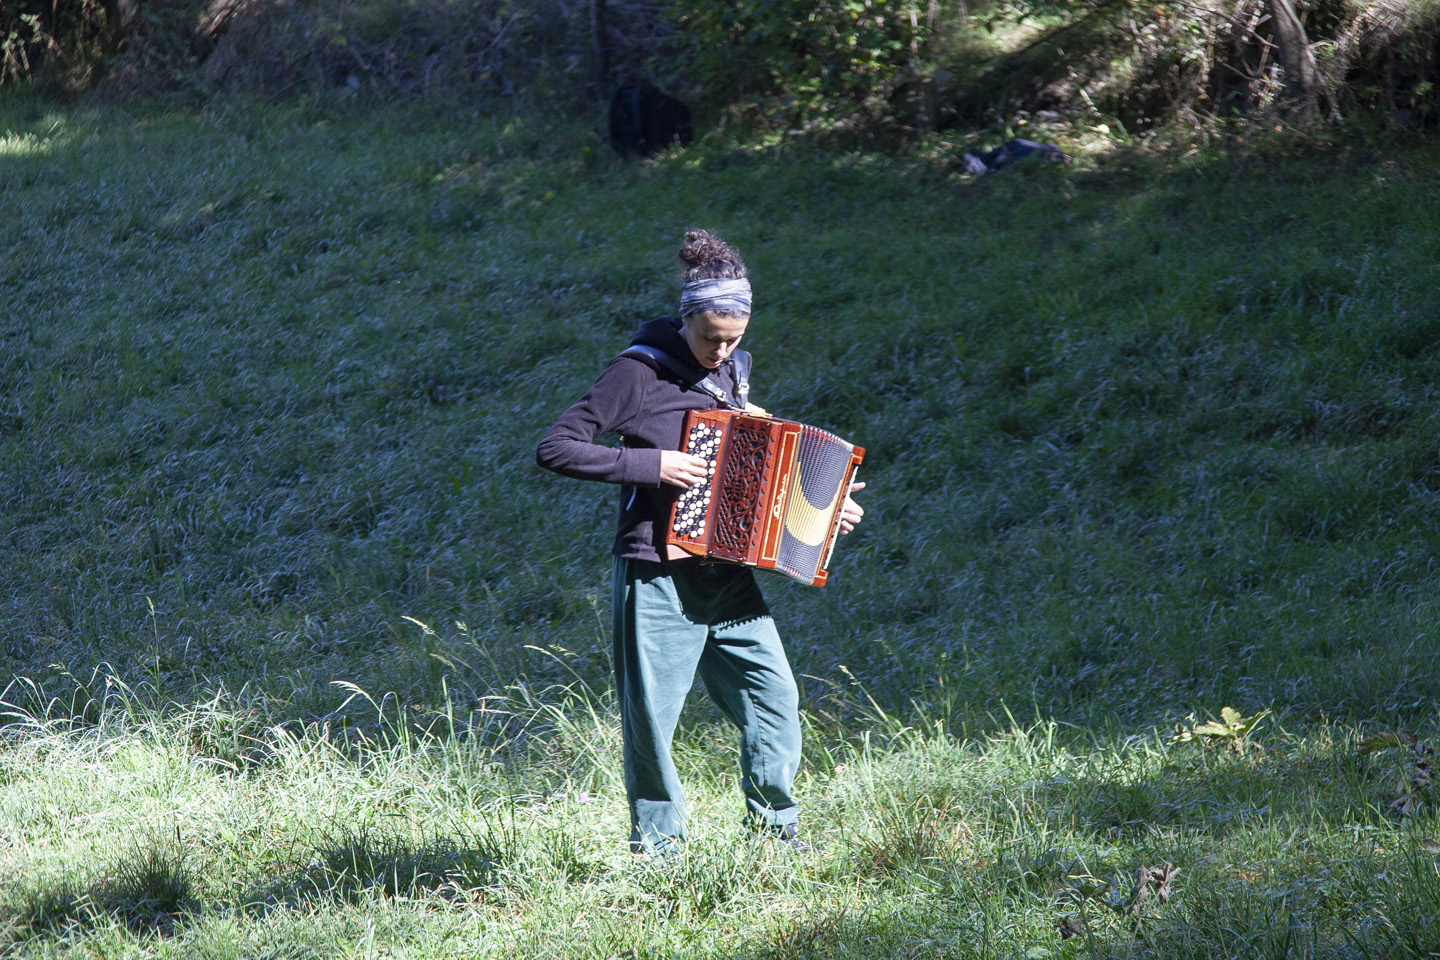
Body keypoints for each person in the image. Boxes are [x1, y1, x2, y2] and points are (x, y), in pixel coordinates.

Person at [536, 229, 864, 854]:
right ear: (685, 318)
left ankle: (776, 835)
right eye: (710, 337)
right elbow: (556, 447)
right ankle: (660, 853)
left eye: (733, 338)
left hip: (724, 570)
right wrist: (650, 465)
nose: (721, 350)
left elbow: (751, 466)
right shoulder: (637, 372)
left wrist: (824, 509)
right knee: (653, 721)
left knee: (774, 697)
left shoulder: (733, 368)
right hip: (656, 570)